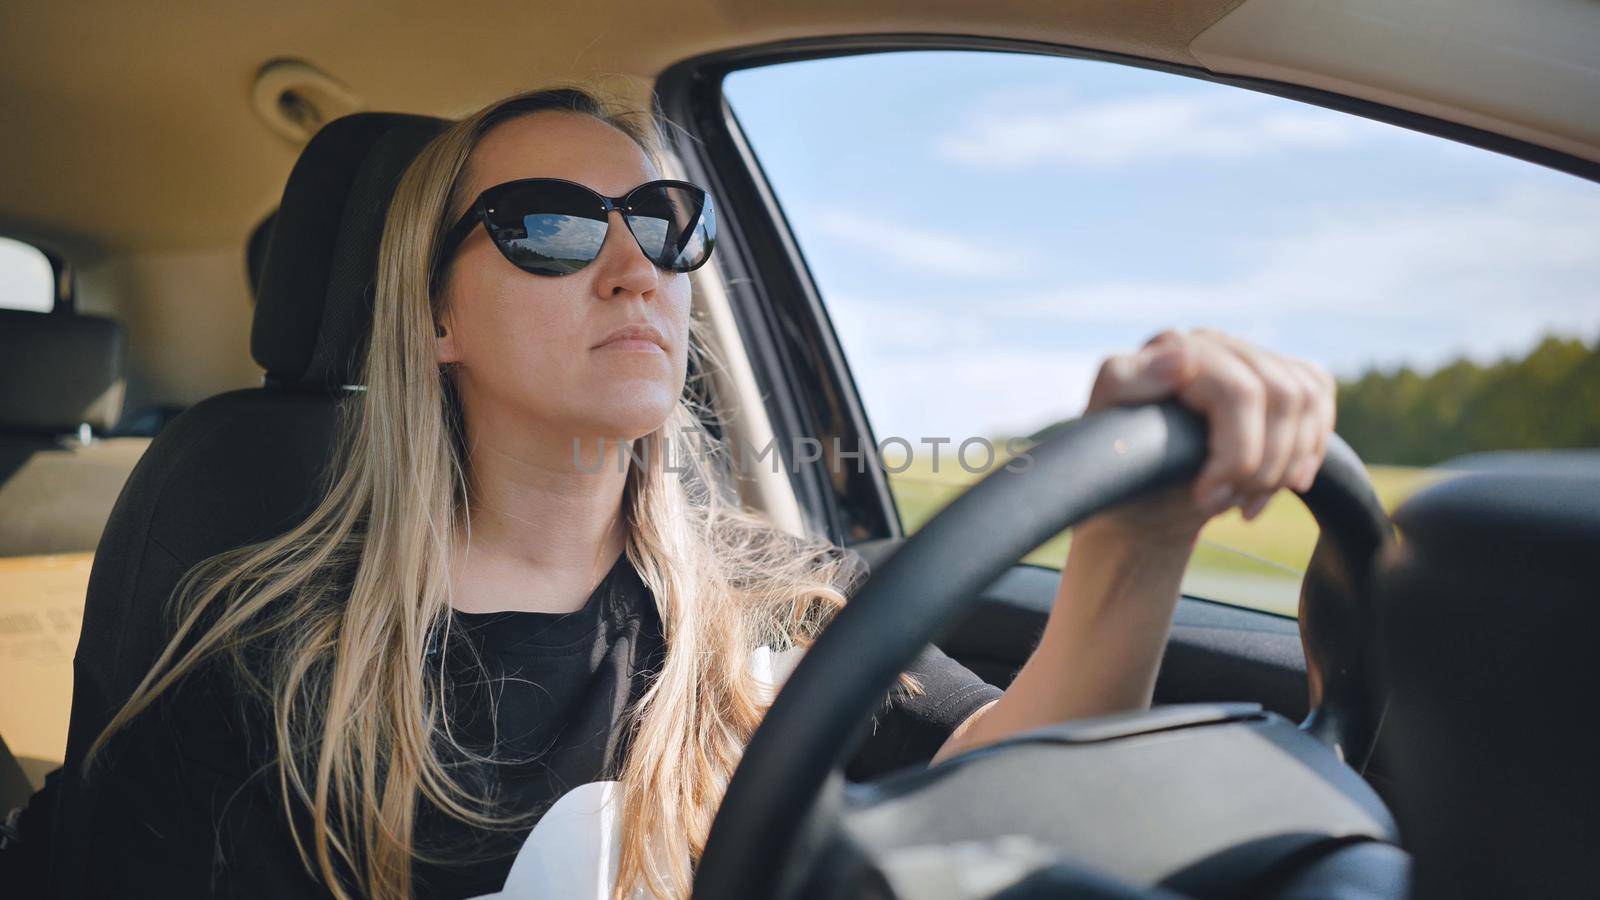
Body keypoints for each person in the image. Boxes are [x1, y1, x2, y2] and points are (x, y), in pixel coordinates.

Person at [72, 84, 1337, 900]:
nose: (633, 267)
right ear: (435, 315)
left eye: (665, 222)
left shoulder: (783, 607)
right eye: (550, 226)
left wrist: (1134, 542)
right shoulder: (270, 653)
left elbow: (1006, 786)